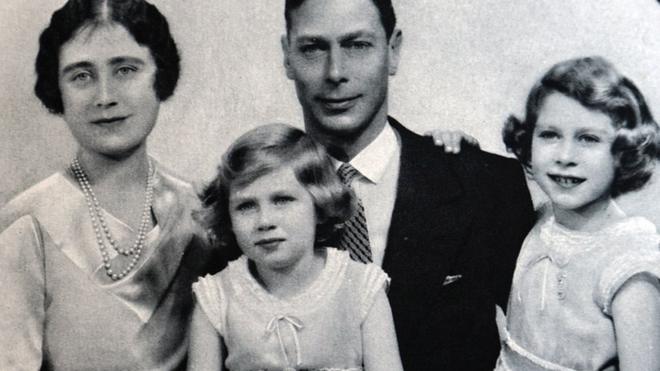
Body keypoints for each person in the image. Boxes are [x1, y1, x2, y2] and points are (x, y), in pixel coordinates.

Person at [280, 0, 536, 369]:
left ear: (393, 50)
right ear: (287, 56)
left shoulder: (487, 184)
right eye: (313, 47)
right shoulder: (249, 199)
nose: (335, 72)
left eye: (358, 45)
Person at [0, 0, 220, 369]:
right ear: (58, 89)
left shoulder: (201, 213)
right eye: (81, 76)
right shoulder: (28, 223)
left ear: (160, 76)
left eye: (125, 70)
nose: (105, 97)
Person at [188, 123, 404, 371]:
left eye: (282, 200)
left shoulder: (361, 286)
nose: (265, 221)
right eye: (246, 206)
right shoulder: (216, 296)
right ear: (228, 216)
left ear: (320, 204)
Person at [495, 56, 660, 370]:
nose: (565, 156)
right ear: (527, 142)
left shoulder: (629, 266)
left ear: (623, 153)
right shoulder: (541, 219)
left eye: (588, 139)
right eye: (550, 135)